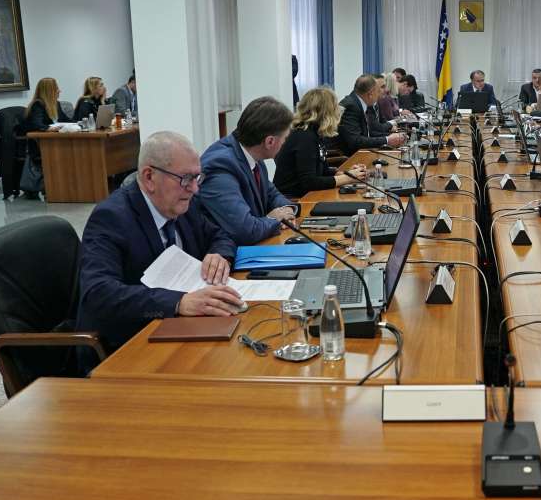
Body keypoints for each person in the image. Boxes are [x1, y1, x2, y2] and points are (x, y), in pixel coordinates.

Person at [76, 131, 241, 352]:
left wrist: (219, 255)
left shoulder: (181, 203)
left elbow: (220, 235)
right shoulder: (111, 217)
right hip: (128, 344)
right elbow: (98, 293)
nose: (194, 189)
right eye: (186, 178)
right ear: (149, 177)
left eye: (197, 177)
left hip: (180, 328)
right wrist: (178, 302)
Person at [199, 96, 297, 246]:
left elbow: (271, 193)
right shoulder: (220, 166)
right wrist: (273, 219)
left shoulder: (253, 154)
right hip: (224, 255)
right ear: (270, 141)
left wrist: (286, 209)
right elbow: (245, 230)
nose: (284, 143)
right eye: (285, 138)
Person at [274, 88, 368, 196]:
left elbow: (322, 171)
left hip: (307, 195)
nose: (338, 112)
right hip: (293, 199)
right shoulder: (304, 137)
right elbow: (309, 182)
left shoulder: (314, 132)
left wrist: (347, 173)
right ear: (326, 113)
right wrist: (347, 178)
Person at [338, 74, 407, 156]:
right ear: (370, 94)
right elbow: (355, 141)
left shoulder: (358, 102)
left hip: (361, 153)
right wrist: (387, 140)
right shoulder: (351, 107)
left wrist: (392, 137)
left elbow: (369, 133)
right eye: (377, 91)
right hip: (348, 158)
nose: (379, 95)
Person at [19, 77, 61, 199]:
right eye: (56, 88)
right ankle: (54, 187)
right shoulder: (37, 105)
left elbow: (66, 120)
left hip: (54, 142)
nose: (59, 91)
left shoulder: (55, 104)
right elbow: (37, 125)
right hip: (38, 145)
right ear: (49, 90)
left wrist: (78, 124)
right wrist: (49, 128)